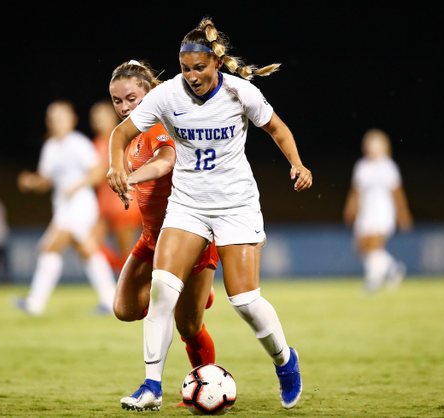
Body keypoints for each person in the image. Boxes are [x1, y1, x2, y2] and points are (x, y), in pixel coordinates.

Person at [108, 18, 312, 411]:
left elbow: (278, 129)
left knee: (245, 301)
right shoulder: (166, 95)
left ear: (215, 64)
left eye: (199, 68)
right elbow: (121, 134)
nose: (192, 76)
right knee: (163, 291)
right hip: (188, 207)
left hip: (236, 206)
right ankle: (152, 386)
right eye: (185, 69)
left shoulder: (240, 92)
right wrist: (117, 166)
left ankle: (285, 361)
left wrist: (297, 165)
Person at [108, 60, 218, 408]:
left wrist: (132, 178)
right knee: (124, 309)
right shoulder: (131, 137)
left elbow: (166, 160)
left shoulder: (159, 123)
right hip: (152, 238)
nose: (125, 107)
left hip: (188, 237)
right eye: (117, 101)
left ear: (150, 93)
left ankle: (208, 386)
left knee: (188, 328)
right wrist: (128, 190)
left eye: (131, 98)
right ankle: (188, 296)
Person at [14, 100, 117, 316]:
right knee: (87, 250)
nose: (55, 122)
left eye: (60, 117)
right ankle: (111, 300)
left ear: (72, 120)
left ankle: (35, 303)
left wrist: (76, 186)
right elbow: (46, 180)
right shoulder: (50, 147)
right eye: (52, 118)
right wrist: (32, 181)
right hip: (63, 208)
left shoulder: (78, 144)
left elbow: (99, 171)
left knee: (49, 247)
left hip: (81, 205)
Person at [343, 129, 413, 293]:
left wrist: (403, 213)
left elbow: (397, 192)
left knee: (374, 244)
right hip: (366, 211)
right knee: (362, 247)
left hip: (383, 211)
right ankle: (392, 267)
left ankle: (373, 280)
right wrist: (351, 208)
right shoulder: (362, 166)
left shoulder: (388, 166)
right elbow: (356, 191)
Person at [90, 101, 142, 272]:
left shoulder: (118, 137)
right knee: (91, 243)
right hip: (105, 204)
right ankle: (121, 273)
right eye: (95, 117)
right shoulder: (98, 141)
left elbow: (100, 172)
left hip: (123, 203)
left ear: (112, 117)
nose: (98, 120)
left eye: (101, 116)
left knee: (126, 250)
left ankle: (134, 287)